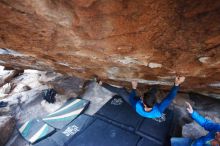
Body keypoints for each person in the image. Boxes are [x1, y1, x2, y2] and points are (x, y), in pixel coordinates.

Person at [99, 76, 185, 118]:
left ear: (143, 103)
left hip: (136, 106)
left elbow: (132, 96)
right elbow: (169, 98)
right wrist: (177, 84)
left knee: (122, 91)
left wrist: (134, 87)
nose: (141, 97)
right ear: (154, 102)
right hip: (147, 108)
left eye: (142, 97)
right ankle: (156, 87)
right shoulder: (158, 110)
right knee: (153, 90)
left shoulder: (136, 104)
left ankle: (102, 84)